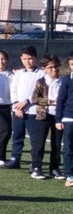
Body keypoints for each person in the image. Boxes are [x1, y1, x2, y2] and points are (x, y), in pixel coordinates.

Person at [5, 45, 43, 169]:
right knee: (17, 136)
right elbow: (13, 89)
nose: (27, 61)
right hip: (18, 111)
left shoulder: (41, 74)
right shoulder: (19, 74)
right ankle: (15, 159)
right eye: (25, 59)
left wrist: (27, 101)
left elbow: (41, 92)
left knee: (35, 139)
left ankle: (35, 162)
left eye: (30, 58)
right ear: (21, 59)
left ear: (36, 58)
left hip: (34, 111)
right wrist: (17, 105)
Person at [27, 54, 62, 180]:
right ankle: (36, 167)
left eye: (56, 67)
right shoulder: (41, 82)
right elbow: (34, 98)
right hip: (43, 115)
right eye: (50, 67)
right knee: (39, 142)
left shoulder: (63, 82)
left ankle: (54, 167)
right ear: (44, 69)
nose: (54, 70)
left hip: (58, 116)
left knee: (56, 144)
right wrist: (50, 101)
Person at [54, 52, 73, 187]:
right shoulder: (66, 80)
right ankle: (69, 175)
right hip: (69, 118)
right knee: (68, 147)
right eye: (72, 64)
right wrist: (58, 119)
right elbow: (60, 100)